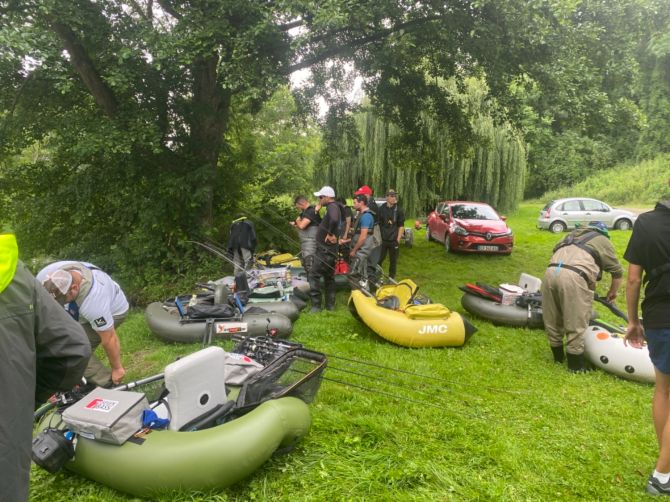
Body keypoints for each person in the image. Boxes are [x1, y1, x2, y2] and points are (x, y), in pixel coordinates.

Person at [0, 233, 90, 502]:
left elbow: (103, 335)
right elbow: (74, 348)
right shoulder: (12, 269)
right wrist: (24, 400)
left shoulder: (95, 297)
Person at [623, 179, 670, 496]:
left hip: (657, 316)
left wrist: (632, 321)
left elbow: (633, 279)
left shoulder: (645, 222)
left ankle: (666, 463)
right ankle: (662, 475)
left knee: (664, 389)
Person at [541, 221, 623, 372]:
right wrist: (612, 292)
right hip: (575, 276)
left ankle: (558, 358)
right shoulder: (603, 239)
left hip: (551, 272)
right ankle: (575, 366)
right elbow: (617, 272)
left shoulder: (570, 236)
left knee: (553, 317)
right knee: (576, 320)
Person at [38, 261, 129, 387]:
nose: (59, 304)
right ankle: (82, 379)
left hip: (113, 311)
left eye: (62, 300)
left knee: (73, 349)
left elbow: (109, 338)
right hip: (82, 310)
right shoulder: (45, 277)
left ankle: (107, 384)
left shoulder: (93, 303)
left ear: (74, 288)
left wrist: (117, 369)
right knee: (59, 344)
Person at [308, 186, 342, 312]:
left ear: (327, 197)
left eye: (321, 197)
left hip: (324, 250)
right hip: (329, 250)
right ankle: (330, 306)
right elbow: (325, 223)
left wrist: (330, 233)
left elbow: (334, 219)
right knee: (329, 277)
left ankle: (316, 306)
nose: (319, 199)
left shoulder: (332, 207)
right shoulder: (333, 207)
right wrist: (317, 212)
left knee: (313, 275)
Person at [342, 194, 376, 287]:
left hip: (362, 250)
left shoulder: (366, 216)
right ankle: (362, 291)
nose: (353, 205)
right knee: (361, 272)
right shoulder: (361, 215)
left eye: (354, 203)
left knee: (354, 273)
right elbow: (357, 235)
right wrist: (345, 241)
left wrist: (354, 250)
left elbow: (363, 237)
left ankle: (360, 292)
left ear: (361, 203)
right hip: (359, 249)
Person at [354, 185, 382, 285]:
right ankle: (368, 281)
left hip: (373, 234)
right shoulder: (368, 204)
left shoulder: (371, 206)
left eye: (360, 195)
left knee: (371, 260)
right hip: (369, 233)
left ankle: (372, 284)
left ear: (366, 195)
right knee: (368, 259)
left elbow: (366, 225)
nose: (358, 197)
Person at [377, 189, 405, 279]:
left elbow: (401, 226)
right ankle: (377, 276)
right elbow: (378, 224)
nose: (394, 198)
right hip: (383, 240)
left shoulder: (399, 210)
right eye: (392, 196)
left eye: (395, 196)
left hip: (394, 240)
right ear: (387, 197)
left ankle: (391, 278)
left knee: (393, 261)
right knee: (379, 259)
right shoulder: (381, 209)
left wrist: (398, 239)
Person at [291, 195, 322, 274]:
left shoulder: (311, 211)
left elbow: (302, 226)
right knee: (306, 263)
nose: (298, 208)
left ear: (301, 204)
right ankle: (311, 278)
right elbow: (299, 224)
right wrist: (296, 223)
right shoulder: (305, 212)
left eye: (297, 206)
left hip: (310, 243)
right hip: (306, 243)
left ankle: (313, 280)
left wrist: (297, 221)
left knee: (309, 263)